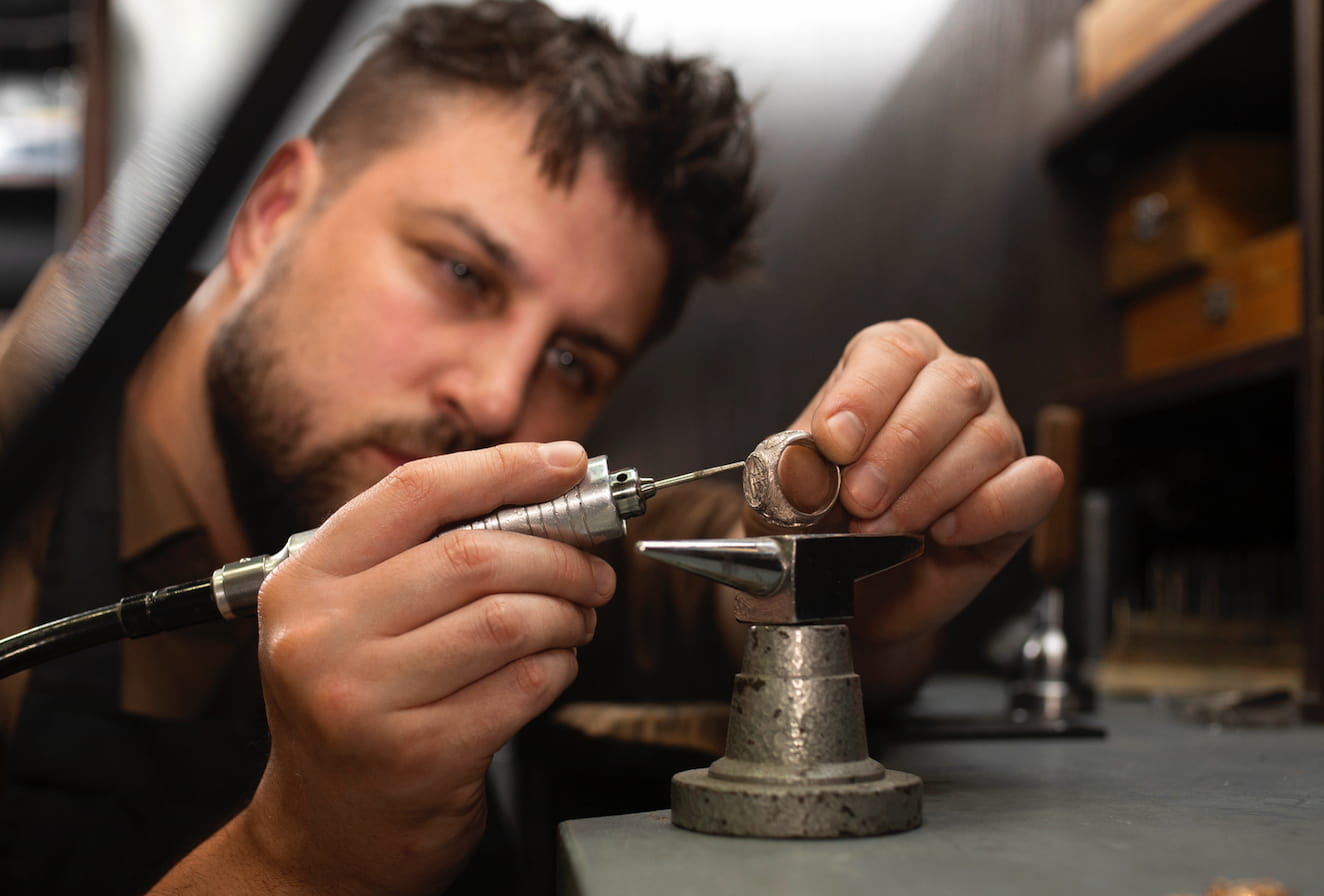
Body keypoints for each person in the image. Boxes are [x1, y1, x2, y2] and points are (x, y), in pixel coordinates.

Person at [0, 2, 1062, 893]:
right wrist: (297, 858)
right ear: (272, 212)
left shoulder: (480, 517)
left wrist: (852, 555)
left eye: (573, 357)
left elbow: (688, 563)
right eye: (462, 272)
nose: (501, 394)